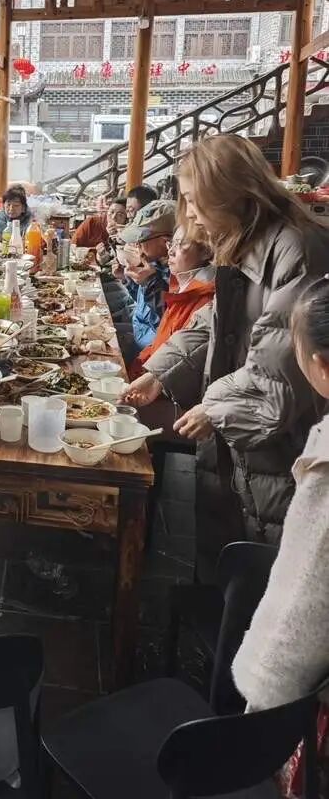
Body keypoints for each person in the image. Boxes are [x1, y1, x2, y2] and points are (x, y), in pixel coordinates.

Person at [124, 134, 329, 581]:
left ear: (228, 192)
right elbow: (214, 322)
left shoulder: (296, 251)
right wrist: (161, 372)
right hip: (241, 429)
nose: (191, 212)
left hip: (279, 441)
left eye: (194, 199)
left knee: (266, 567)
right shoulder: (247, 239)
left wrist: (214, 407)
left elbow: (280, 372)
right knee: (229, 549)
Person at [232, 280, 329, 715]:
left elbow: (304, 599)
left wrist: (262, 705)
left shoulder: (326, 469)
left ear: (320, 366)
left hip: (295, 706)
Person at [130, 225, 215, 377]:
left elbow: (177, 368)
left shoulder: (205, 301)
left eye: (180, 244)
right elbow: (160, 342)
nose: (170, 251)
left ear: (206, 252)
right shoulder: (180, 287)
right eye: (171, 244)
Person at [116, 200, 175, 361]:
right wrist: (127, 279)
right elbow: (143, 305)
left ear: (166, 241)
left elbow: (169, 320)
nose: (137, 244)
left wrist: (150, 283)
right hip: (139, 334)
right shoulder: (154, 263)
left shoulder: (177, 274)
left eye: (142, 238)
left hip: (152, 352)